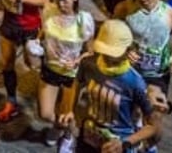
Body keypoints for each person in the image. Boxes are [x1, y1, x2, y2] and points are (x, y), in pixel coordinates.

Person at [65, 19, 162, 153]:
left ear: (128, 49)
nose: (109, 57)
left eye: (113, 53)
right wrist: (69, 109)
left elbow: (153, 126)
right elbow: (76, 84)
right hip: (89, 136)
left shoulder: (135, 81)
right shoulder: (88, 64)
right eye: (105, 52)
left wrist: (126, 143)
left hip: (118, 144)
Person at [36, 0, 95, 147]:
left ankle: (68, 135)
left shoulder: (83, 20)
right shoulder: (48, 11)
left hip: (72, 74)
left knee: (66, 113)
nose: (61, 3)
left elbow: (91, 51)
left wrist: (77, 61)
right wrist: (37, 42)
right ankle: (59, 126)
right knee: (45, 113)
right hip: (50, 68)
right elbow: (43, 32)